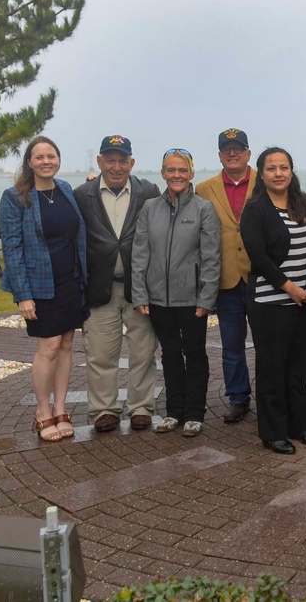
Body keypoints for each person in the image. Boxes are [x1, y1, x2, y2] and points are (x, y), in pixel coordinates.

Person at [0, 136, 88, 442]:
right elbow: (11, 248)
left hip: (70, 281)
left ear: (59, 159)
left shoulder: (64, 190)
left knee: (65, 345)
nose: (46, 161)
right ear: (29, 162)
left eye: (52, 155)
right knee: (48, 347)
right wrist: (22, 294)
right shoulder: (15, 197)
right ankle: (42, 411)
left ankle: (61, 409)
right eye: (39, 157)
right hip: (39, 285)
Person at [74, 135, 161, 433]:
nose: (116, 166)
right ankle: (104, 410)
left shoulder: (149, 191)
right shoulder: (81, 194)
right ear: (99, 162)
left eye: (122, 160)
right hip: (99, 288)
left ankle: (141, 407)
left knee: (143, 351)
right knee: (100, 354)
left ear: (132, 163)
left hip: (139, 288)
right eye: (109, 160)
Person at [240, 148, 306, 454]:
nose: (278, 173)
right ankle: (273, 432)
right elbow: (258, 257)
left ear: (292, 171)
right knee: (272, 368)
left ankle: (299, 425)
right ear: (261, 174)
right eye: (271, 168)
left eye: (284, 167)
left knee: (298, 367)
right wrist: (290, 288)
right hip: (270, 303)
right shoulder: (256, 210)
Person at [132, 149, 221, 437]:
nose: (177, 175)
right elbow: (140, 254)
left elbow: (211, 257)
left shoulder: (203, 209)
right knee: (169, 354)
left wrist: (206, 297)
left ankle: (195, 412)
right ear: (163, 173)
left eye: (182, 170)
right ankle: (173, 412)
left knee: (194, 353)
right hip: (158, 298)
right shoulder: (149, 208)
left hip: (192, 299)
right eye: (171, 170)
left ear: (192, 173)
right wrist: (140, 294)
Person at [195, 128, 256, 424]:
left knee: (269, 343)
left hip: (261, 278)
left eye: (238, 148)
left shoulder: (266, 180)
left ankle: (271, 393)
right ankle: (238, 397)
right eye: (227, 149)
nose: (232, 153)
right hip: (226, 279)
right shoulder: (204, 189)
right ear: (219, 155)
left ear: (248, 153)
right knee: (231, 344)